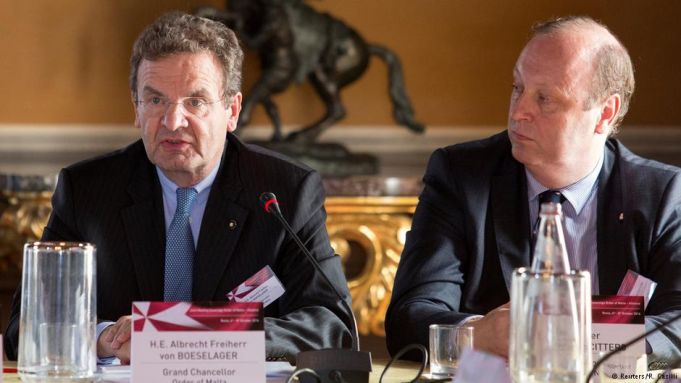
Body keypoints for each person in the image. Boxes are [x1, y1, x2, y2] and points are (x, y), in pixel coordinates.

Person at [4, 12, 353, 363]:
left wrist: (187, 331)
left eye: (195, 102)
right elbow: (26, 327)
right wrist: (103, 337)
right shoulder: (87, 191)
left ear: (232, 110)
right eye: (155, 100)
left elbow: (329, 325)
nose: (172, 122)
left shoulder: (284, 192)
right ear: (136, 109)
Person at [386, 16, 681, 369]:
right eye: (517, 87)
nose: (519, 111)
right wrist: (477, 332)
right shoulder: (461, 176)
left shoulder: (661, 193)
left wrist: (585, 341)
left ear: (605, 113)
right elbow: (410, 314)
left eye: (545, 99)